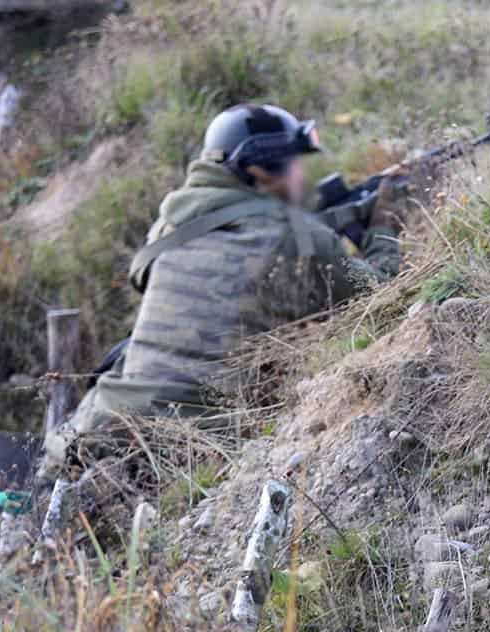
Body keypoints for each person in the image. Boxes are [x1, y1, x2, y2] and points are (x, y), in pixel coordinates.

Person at [35, 103, 414, 482]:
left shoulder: (170, 225)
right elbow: (380, 293)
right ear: (258, 170)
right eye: (293, 164)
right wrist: (383, 225)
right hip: (193, 449)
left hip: (94, 432)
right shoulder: (299, 237)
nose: (302, 175)